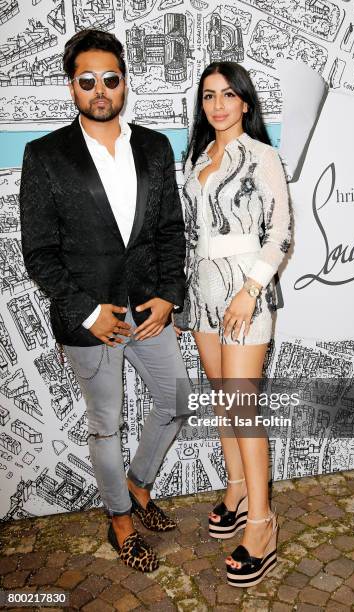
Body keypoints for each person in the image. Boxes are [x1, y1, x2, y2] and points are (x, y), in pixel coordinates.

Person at [19, 29, 190, 573]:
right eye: (87, 80)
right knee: (105, 425)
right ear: (71, 87)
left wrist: (169, 296)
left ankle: (137, 487)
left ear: (124, 83)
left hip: (148, 310)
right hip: (88, 319)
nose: (100, 90)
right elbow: (40, 253)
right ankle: (119, 520)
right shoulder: (45, 155)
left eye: (110, 79)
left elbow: (169, 230)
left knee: (175, 401)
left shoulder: (155, 146)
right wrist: (88, 312)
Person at [175, 61, 292, 587]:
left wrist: (250, 291)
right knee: (224, 403)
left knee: (243, 408)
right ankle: (238, 488)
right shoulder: (197, 159)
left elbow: (281, 235)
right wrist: (184, 298)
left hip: (245, 292)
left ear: (245, 102)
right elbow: (191, 238)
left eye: (227, 95)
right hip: (201, 293)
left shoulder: (262, 156)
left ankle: (263, 524)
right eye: (208, 96)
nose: (217, 105)